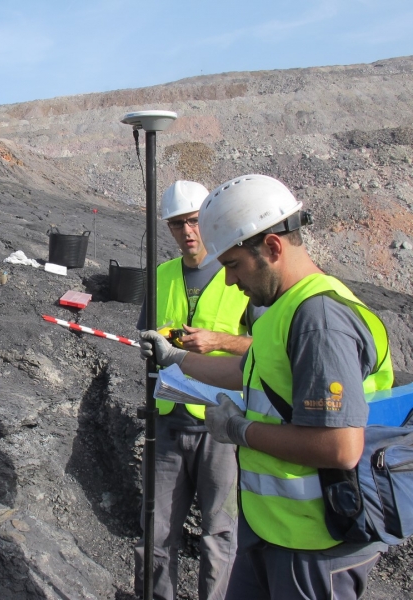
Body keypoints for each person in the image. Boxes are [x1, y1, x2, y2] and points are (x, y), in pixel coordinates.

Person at [139, 174, 393, 600]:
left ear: (272, 247)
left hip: (318, 540)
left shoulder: (320, 321)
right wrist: (178, 359)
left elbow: (340, 448)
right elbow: (247, 372)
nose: (232, 282)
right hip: (274, 532)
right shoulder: (282, 308)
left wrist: (238, 430)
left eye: (234, 265)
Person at [135, 181, 258, 600]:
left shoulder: (240, 272)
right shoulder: (162, 276)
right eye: (176, 224)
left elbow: (268, 348)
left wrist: (220, 341)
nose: (187, 231)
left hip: (222, 427)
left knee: (219, 533)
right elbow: (145, 337)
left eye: (193, 221)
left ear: (207, 220)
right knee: (156, 532)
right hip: (168, 423)